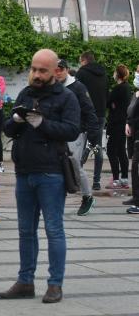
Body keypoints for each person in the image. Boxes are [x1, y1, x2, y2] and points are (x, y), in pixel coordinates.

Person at [0, 49, 80, 304]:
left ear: (55, 71)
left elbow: (72, 130)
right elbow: (8, 129)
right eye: (34, 69)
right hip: (24, 172)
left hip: (51, 173)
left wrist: (41, 123)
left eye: (42, 70)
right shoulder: (25, 93)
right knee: (25, 231)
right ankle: (25, 281)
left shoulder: (66, 97)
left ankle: (55, 284)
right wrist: (16, 120)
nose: (36, 74)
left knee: (54, 230)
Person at [55, 59, 100, 216]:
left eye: (60, 69)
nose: (58, 72)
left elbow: (89, 110)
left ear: (67, 69)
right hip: (58, 131)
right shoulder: (53, 87)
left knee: (74, 162)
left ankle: (87, 196)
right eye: (55, 69)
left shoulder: (78, 87)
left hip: (76, 131)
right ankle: (56, 198)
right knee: (56, 164)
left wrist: (94, 134)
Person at [76, 51, 109, 190]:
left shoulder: (81, 73)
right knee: (97, 147)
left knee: (80, 147)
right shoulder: (104, 75)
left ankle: (78, 180)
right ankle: (96, 181)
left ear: (84, 61)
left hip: (85, 114)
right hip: (100, 115)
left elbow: (77, 93)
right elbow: (107, 95)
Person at [105, 65, 131, 190]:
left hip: (115, 123)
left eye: (115, 72)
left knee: (111, 150)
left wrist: (112, 105)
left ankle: (115, 179)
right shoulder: (127, 87)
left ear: (118, 74)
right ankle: (125, 179)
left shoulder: (118, 88)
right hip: (123, 123)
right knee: (121, 150)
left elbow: (108, 102)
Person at [125, 66, 139, 214]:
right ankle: (136, 197)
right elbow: (131, 111)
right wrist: (128, 123)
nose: (136, 75)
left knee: (136, 166)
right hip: (134, 134)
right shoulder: (135, 94)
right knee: (134, 167)